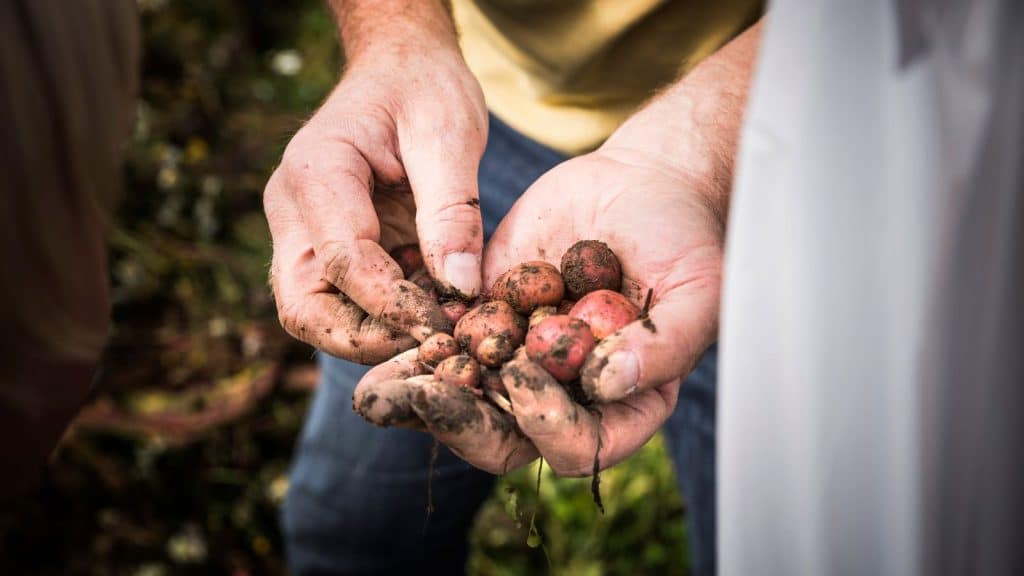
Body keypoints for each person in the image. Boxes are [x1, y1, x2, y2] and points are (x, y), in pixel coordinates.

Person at [266, 1, 761, 574]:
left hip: (754, 135)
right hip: (467, 130)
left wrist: (696, 156)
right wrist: (396, 40)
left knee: (769, 544)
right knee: (353, 534)